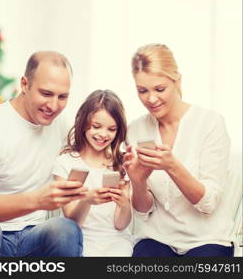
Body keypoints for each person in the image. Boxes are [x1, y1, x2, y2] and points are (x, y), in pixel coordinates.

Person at [0, 51, 88, 257]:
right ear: (24, 84)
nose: (53, 106)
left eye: (62, 97)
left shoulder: (60, 125)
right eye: (46, 93)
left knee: (65, 230)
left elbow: (97, 151)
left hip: (33, 236)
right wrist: (37, 200)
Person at [124, 43, 234, 257]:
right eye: (142, 91)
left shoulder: (210, 123)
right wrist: (137, 181)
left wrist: (172, 166)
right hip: (158, 238)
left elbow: (208, 203)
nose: (151, 99)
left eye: (160, 89)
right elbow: (143, 211)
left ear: (177, 81)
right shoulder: (136, 130)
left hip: (207, 239)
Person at [52, 90, 134, 256]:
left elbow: (120, 225)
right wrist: (87, 200)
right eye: (96, 127)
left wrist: (124, 204)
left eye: (111, 129)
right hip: (80, 241)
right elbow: (72, 223)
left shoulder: (122, 164)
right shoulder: (66, 163)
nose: (103, 135)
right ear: (83, 123)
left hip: (116, 242)